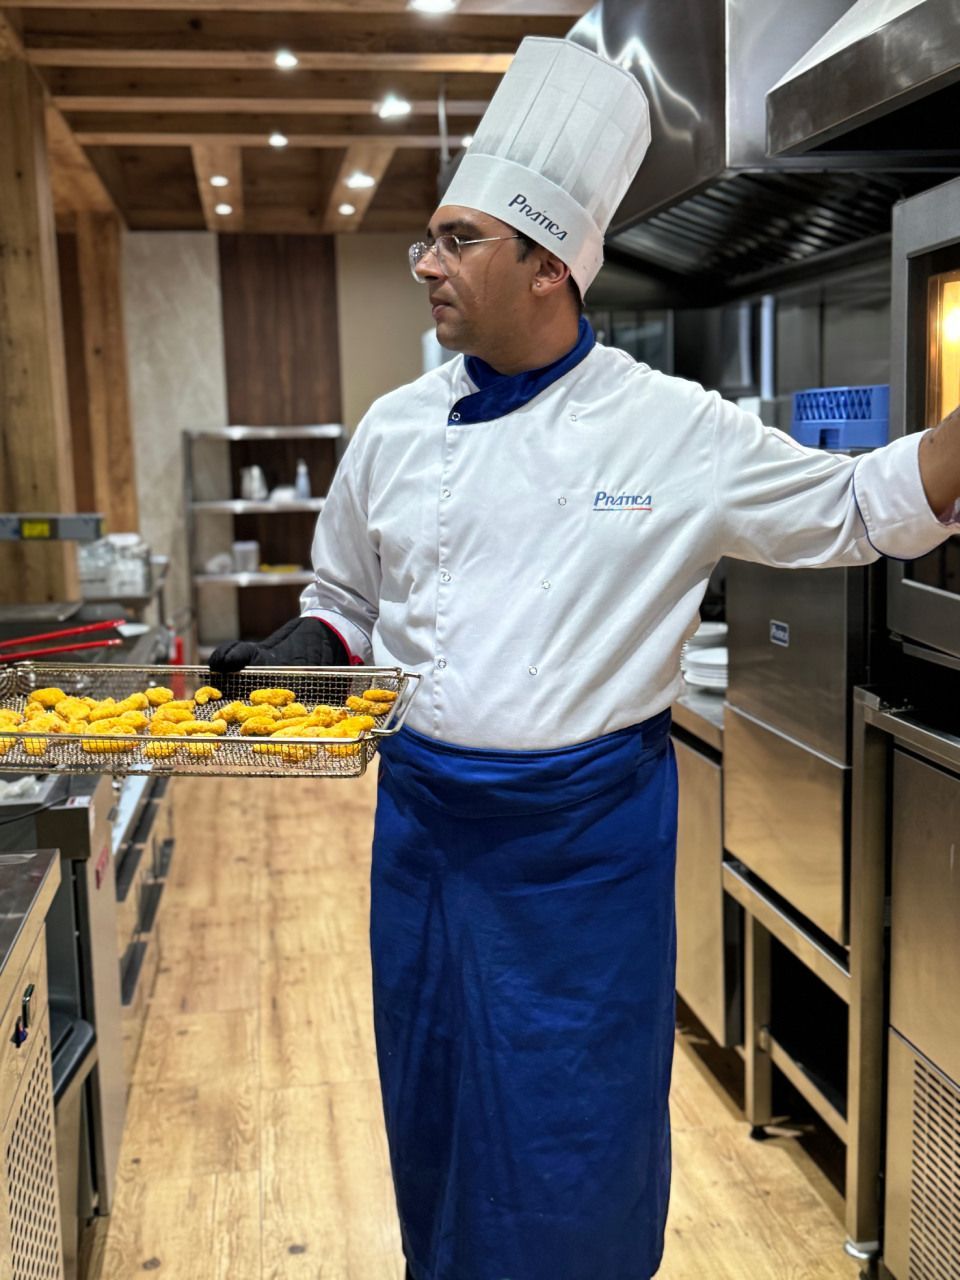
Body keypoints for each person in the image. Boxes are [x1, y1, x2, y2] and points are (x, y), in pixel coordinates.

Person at [210, 37, 960, 1280]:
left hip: (579, 855)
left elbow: (865, 504)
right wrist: (303, 647)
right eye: (429, 240)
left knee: (573, 1156)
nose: (427, 265)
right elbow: (344, 597)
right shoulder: (395, 428)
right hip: (425, 843)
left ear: (549, 265)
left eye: (457, 240)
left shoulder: (670, 427)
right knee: (437, 1115)